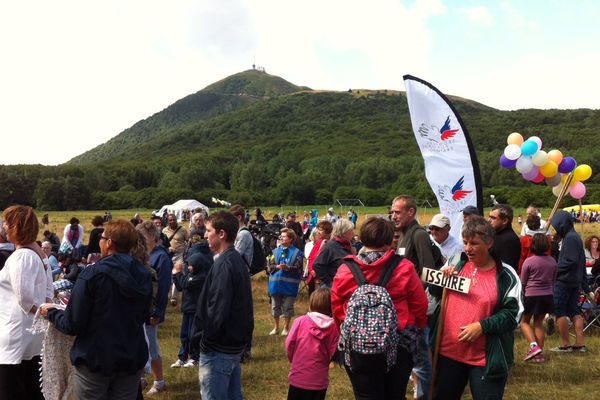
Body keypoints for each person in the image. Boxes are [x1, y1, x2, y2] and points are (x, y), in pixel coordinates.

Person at [40, 220, 152, 400]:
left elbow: (73, 323)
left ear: (109, 243)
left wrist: (51, 313)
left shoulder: (92, 275)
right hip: (130, 357)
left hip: (96, 359)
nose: (99, 241)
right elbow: (144, 315)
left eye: (102, 237)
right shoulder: (144, 274)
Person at [331, 217, 428, 399]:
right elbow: (420, 305)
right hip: (400, 342)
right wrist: (418, 330)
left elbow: (337, 308)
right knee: (394, 394)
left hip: (358, 345)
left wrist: (345, 332)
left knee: (365, 395)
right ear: (389, 238)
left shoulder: (345, 269)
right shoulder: (404, 267)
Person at [432, 217, 523, 400]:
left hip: (485, 360)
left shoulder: (506, 275)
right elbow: (435, 294)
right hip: (447, 354)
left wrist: (483, 326)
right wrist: (442, 278)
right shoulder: (456, 261)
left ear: (489, 243)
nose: (467, 248)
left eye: (474, 243)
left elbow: (513, 315)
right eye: (465, 242)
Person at [192, 211, 253, 400]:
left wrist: (205, 342)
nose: (204, 235)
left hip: (219, 349)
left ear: (221, 234)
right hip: (231, 346)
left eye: (208, 230)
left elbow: (217, 309)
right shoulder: (234, 260)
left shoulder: (225, 264)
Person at [0, 205, 53, 400]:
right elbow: (48, 292)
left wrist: (43, 311)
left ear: (16, 226)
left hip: (16, 336)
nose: (4, 226)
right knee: (29, 386)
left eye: (7, 222)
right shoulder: (38, 254)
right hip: (29, 334)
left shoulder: (22, 257)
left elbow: (24, 299)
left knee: (11, 389)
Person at [390, 195, 435, 400]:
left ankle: (424, 394)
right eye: (392, 212)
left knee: (421, 356)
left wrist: (413, 294)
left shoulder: (419, 235)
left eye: (398, 212)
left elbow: (429, 271)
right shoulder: (403, 234)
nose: (393, 216)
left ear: (411, 212)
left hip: (417, 305)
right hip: (404, 306)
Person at [136, 221, 173, 395]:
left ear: (152, 237)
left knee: (152, 346)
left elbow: (164, 287)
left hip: (151, 310)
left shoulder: (161, 257)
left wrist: (158, 312)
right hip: (140, 308)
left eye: (142, 237)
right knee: (139, 343)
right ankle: (141, 377)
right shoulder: (144, 254)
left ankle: (159, 381)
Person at [285, 288, 340, 400]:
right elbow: (334, 352)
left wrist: (293, 359)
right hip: (319, 381)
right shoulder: (334, 327)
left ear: (311, 304)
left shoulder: (300, 321)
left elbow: (289, 344)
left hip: (298, 377)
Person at [549, 210, 590, 353]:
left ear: (562, 224)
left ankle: (565, 345)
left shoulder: (570, 238)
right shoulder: (574, 236)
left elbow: (570, 261)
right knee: (574, 311)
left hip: (565, 281)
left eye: (557, 226)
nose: (556, 229)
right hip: (574, 281)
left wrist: (555, 269)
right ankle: (579, 344)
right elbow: (581, 261)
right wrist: (584, 284)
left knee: (559, 311)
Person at [171, 243, 213, 369]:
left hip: (196, 310)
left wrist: (178, 273)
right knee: (184, 334)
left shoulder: (201, 276)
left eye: (191, 265)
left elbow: (185, 284)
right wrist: (175, 275)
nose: (188, 267)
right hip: (187, 309)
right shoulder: (190, 275)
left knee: (193, 335)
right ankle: (182, 357)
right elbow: (179, 286)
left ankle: (194, 357)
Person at [520, 233, 557, 363]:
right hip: (547, 295)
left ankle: (533, 347)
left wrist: (522, 294)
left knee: (524, 322)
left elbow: (523, 282)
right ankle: (539, 355)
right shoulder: (552, 261)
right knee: (538, 323)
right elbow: (553, 280)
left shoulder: (529, 261)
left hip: (531, 295)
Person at [268, 228, 303, 335]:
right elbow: (270, 266)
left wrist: (288, 268)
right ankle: (276, 327)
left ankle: (286, 328)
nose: (281, 238)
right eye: (281, 236)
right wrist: (277, 266)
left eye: (284, 236)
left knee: (288, 307)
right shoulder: (274, 251)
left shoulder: (298, 253)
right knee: (275, 307)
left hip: (290, 286)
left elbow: (298, 267)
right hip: (275, 285)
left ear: (291, 239)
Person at [313, 219, 354, 288]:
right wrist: (329, 282)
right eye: (351, 231)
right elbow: (317, 265)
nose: (353, 233)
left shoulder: (347, 246)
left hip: (344, 286)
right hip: (332, 288)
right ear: (343, 232)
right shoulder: (330, 246)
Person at [488, 204, 521, 271]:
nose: (489, 220)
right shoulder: (497, 235)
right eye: (489, 217)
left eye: (493, 218)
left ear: (504, 221)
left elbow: (507, 269)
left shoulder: (509, 239)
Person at [305, 221, 333, 296]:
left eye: (320, 230)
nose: (318, 232)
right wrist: (311, 270)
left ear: (327, 231)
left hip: (327, 279)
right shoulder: (319, 243)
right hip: (315, 278)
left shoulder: (332, 244)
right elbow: (310, 258)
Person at [229, 205, 254, 271]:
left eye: (231, 218)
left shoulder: (243, 234)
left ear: (239, 217)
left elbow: (235, 256)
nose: (229, 221)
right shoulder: (239, 232)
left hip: (241, 274)